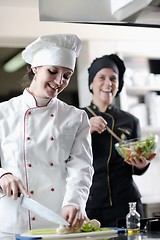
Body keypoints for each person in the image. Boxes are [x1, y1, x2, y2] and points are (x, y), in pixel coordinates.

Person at [0, 34, 94, 236]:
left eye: (67, 76)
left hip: (56, 220)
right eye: (53, 71)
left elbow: (81, 167)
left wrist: (74, 202)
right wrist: (3, 175)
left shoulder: (76, 117)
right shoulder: (3, 112)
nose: (59, 81)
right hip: (11, 221)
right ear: (35, 68)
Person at [82, 54, 152, 227]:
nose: (108, 83)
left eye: (113, 78)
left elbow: (134, 166)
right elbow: (63, 156)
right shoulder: (78, 117)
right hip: (89, 203)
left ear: (118, 84)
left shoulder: (130, 120)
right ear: (91, 83)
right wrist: (85, 130)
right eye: (101, 78)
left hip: (126, 202)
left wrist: (141, 165)